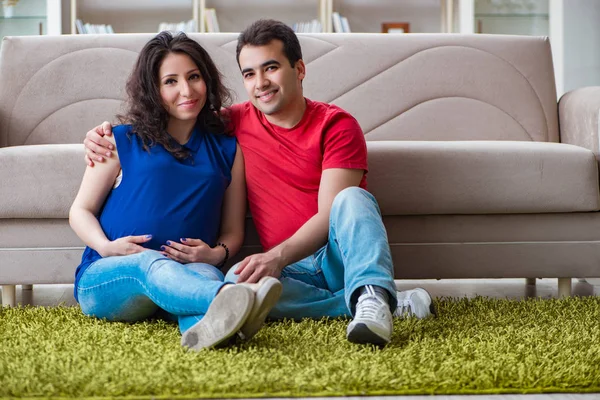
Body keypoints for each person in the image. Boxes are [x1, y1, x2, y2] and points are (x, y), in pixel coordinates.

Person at [83, 20, 435, 347]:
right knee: (236, 279)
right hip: (290, 271)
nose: (260, 83)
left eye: (271, 67)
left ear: (298, 69)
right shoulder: (231, 123)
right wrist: (99, 136)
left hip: (335, 256)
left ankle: (371, 296)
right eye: (249, 73)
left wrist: (269, 257)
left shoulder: (336, 125)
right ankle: (364, 303)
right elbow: (179, 118)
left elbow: (329, 213)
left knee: (352, 198)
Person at [69, 31, 282, 352]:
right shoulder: (118, 140)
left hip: (187, 274)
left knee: (204, 273)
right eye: (170, 81)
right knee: (151, 265)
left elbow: (232, 231)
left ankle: (210, 331)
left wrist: (216, 254)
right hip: (111, 275)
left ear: (206, 80)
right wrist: (106, 247)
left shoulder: (227, 148)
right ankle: (233, 296)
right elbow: (80, 211)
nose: (186, 90)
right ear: (153, 89)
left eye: (194, 77)